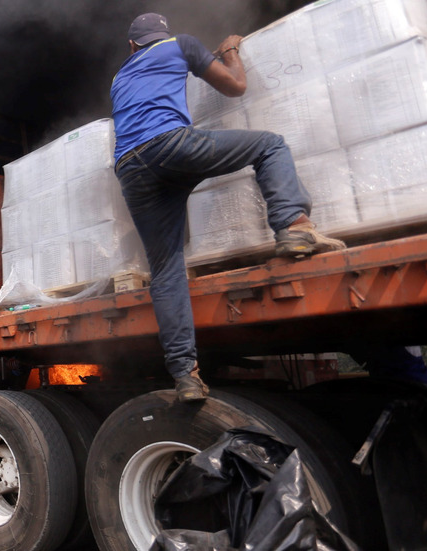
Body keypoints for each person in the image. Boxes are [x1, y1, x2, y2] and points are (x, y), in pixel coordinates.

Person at [110, 14, 346, 402]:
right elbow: (236, 86)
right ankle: (293, 226)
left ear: (131, 46)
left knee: (167, 269)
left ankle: (185, 376)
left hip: (130, 169)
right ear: (161, 37)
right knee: (269, 144)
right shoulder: (180, 44)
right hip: (171, 145)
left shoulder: (119, 77)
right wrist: (231, 50)